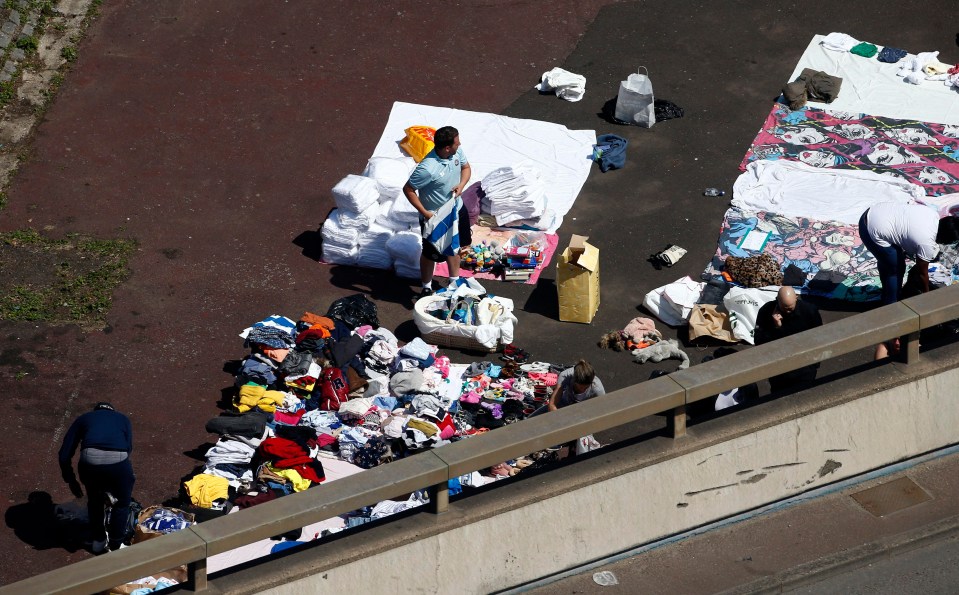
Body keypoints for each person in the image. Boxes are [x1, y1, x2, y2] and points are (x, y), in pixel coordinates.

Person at [858, 203, 959, 358]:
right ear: (944, 238)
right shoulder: (926, 242)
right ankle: (890, 308)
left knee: (889, 259)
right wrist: (927, 295)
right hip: (871, 230)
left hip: (871, 213)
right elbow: (922, 273)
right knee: (896, 269)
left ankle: (888, 287)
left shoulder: (932, 215)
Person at [402, 126, 472, 298]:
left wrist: (461, 185)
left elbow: (466, 168)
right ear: (447, 147)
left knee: (457, 247)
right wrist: (426, 213)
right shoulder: (427, 169)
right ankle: (426, 286)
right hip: (435, 217)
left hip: (457, 209)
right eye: (457, 142)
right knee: (430, 253)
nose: (460, 143)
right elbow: (408, 189)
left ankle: (454, 281)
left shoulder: (457, 153)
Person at [58, 402, 135, 554]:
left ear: (96, 411)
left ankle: (98, 541)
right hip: (117, 461)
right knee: (122, 504)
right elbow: (128, 447)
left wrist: (71, 480)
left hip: (89, 462)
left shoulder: (84, 418)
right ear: (112, 411)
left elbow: (64, 454)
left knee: (94, 502)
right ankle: (116, 544)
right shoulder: (122, 418)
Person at [754, 287, 823, 392]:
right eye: (784, 308)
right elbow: (759, 341)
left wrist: (814, 364)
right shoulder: (766, 311)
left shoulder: (809, 311)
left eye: (790, 308)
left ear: (796, 298)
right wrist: (777, 328)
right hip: (779, 368)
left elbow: (819, 337)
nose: (787, 311)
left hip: (804, 367)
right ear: (777, 300)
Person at [532, 360, 605, 416]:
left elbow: (602, 410)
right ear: (574, 379)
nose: (582, 390)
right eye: (579, 387)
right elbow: (552, 404)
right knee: (530, 420)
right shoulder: (565, 376)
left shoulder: (598, 388)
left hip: (583, 412)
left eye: (585, 387)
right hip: (564, 403)